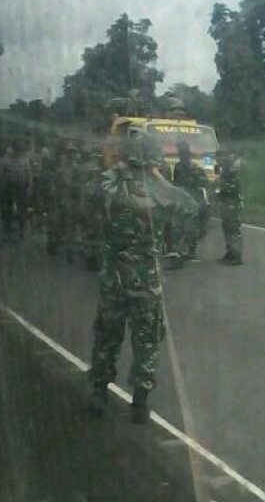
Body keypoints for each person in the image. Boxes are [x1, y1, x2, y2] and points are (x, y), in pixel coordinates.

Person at [88, 133, 198, 422]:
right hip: (146, 281)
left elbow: (89, 195)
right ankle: (140, 401)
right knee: (146, 340)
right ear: (152, 157)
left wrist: (117, 168)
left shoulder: (110, 183)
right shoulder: (159, 191)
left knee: (107, 336)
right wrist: (158, 177)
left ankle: (99, 392)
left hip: (114, 278)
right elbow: (191, 208)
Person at [172, 141, 209, 261]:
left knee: (191, 226)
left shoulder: (196, 170)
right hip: (181, 199)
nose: (181, 156)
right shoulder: (178, 167)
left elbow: (203, 186)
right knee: (180, 226)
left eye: (183, 154)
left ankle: (190, 250)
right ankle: (181, 250)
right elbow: (176, 183)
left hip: (193, 200)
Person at [0, 140, 32, 239]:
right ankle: (7, 228)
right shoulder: (6, 160)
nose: (18, 152)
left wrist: (29, 185)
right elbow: (1, 174)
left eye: (20, 150)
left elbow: (28, 173)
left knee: (22, 208)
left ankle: (22, 229)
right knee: (7, 208)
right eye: (17, 149)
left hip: (21, 187)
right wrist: (2, 187)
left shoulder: (25, 160)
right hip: (9, 187)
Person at [216, 149, 243, 266]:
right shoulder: (225, 170)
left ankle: (236, 256)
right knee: (227, 227)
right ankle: (230, 253)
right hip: (227, 202)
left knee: (233, 229)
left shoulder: (230, 170)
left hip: (232, 202)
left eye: (219, 158)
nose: (217, 161)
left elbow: (232, 187)